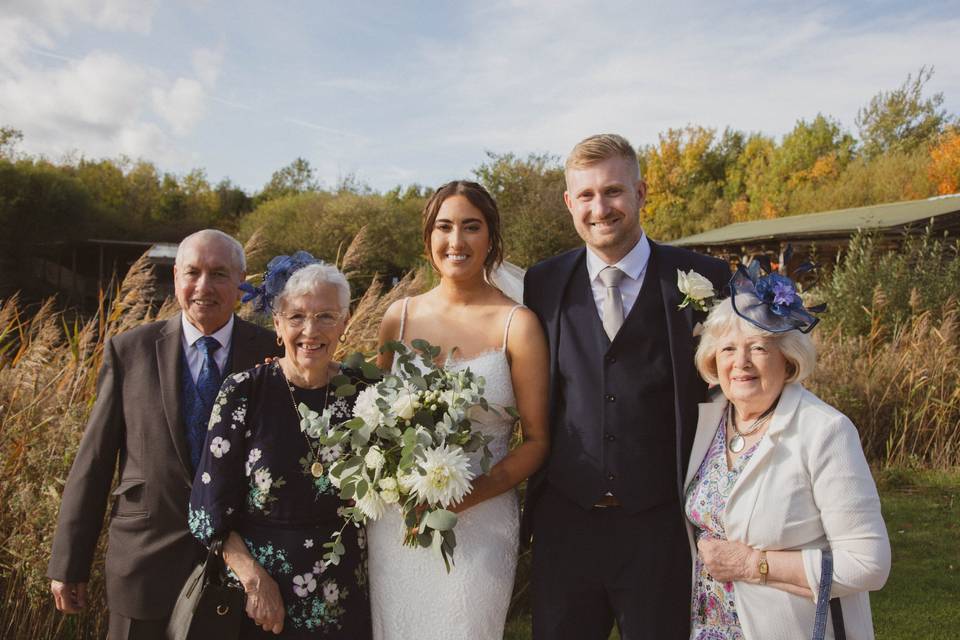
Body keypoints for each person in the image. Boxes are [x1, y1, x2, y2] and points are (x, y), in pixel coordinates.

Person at [522, 133, 731, 640]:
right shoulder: (542, 283)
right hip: (566, 523)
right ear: (570, 203)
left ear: (640, 193)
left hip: (662, 526)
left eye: (613, 191)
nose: (601, 208)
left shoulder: (704, 278)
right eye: (587, 196)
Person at [47, 229, 280, 639]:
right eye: (193, 272)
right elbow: (95, 462)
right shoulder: (129, 351)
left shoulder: (272, 353)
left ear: (242, 280)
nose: (203, 286)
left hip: (243, 570)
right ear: (175, 277)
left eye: (219, 273)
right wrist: (68, 564)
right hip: (143, 566)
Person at [367, 180, 550, 640]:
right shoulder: (399, 317)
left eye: (471, 227)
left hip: (481, 523)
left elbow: (538, 441)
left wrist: (464, 496)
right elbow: (372, 411)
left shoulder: (518, 324)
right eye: (444, 227)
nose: (456, 241)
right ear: (428, 237)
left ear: (491, 238)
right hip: (399, 523)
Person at [684, 265, 890, 639]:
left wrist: (753, 564)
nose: (741, 362)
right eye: (728, 348)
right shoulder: (708, 420)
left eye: (758, 347)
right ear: (713, 359)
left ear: (788, 357)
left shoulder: (825, 431)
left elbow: (868, 564)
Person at [188, 253, 372, 639]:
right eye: (297, 317)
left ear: (344, 322)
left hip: (344, 599)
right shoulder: (245, 392)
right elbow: (208, 512)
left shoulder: (365, 396)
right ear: (277, 323)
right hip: (261, 605)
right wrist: (254, 581)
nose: (311, 330)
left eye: (325, 316)